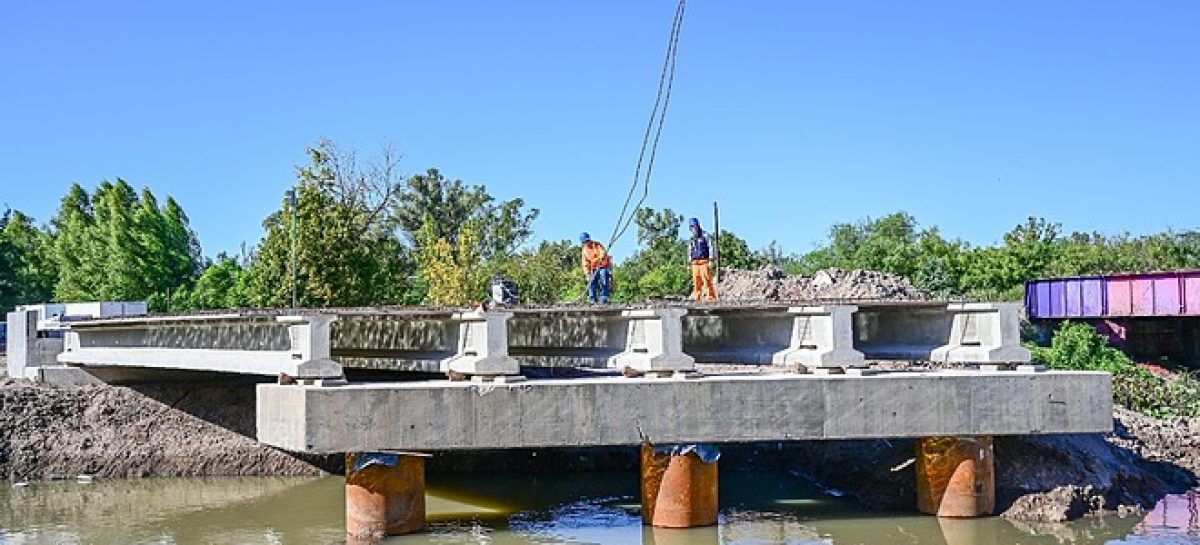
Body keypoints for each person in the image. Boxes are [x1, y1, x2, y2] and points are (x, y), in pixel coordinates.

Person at [688, 218, 717, 301]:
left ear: (698, 226)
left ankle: (711, 298)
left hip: (704, 261)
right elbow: (690, 250)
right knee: (696, 282)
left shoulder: (705, 235)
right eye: (691, 227)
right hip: (695, 263)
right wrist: (689, 262)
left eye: (694, 226)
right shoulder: (691, 239)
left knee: (707, 280)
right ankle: (697, 298)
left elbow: (711, 247)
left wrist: (711, 259)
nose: (693, 228)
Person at [579, 232, 612, 304]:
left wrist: (602, 256)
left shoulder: (597, 245)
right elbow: (585, 264)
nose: (587, 242)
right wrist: (587, 274)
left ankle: (604, 297)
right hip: (593, 269)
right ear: (583, 242)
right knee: (591, 282)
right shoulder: (584, 251)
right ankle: (593, 299)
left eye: (587, 240)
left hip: (602, 267)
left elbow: (602, 252)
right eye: (585, 241)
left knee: (604, 277)